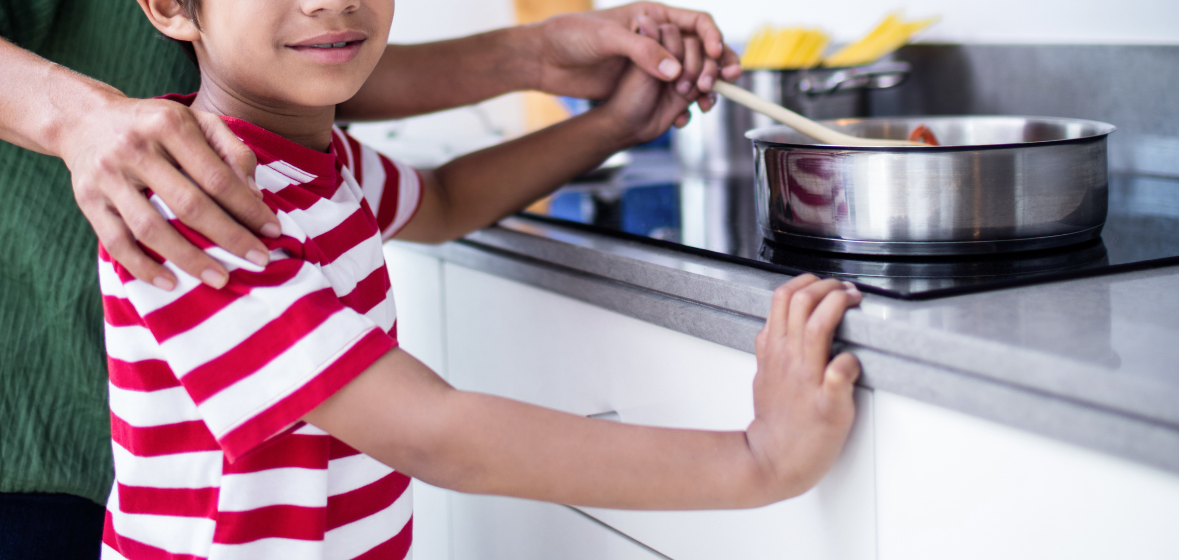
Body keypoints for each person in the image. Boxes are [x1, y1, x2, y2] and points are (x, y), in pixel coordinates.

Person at [95, 0, 865, 557]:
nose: (330, 2)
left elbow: (445, 200)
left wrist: (617, 123)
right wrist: (758, 460)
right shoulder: (190, 196)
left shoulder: (319, 162)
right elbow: (432, 433)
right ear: (171, 6)